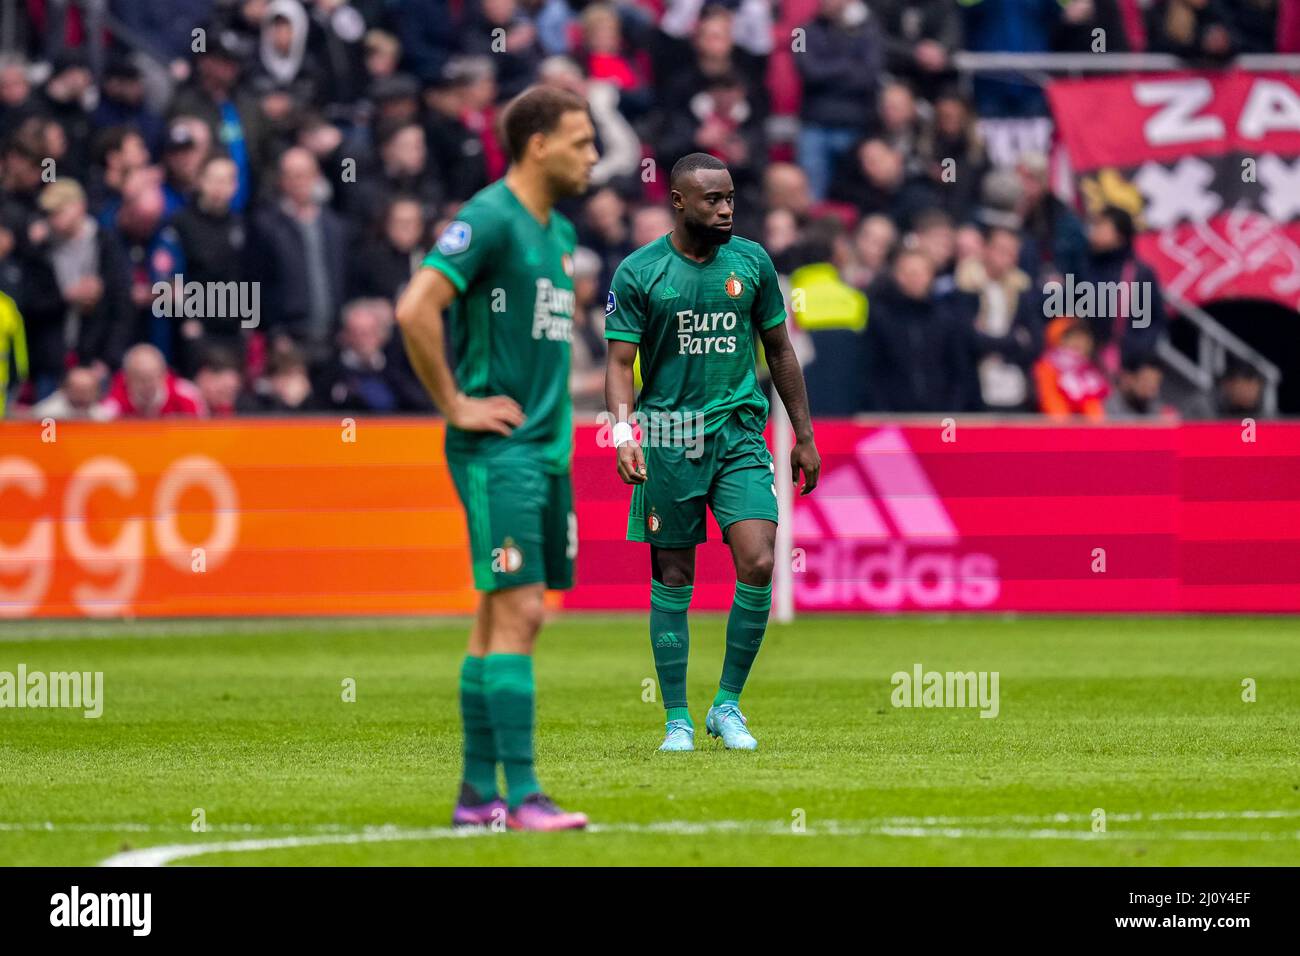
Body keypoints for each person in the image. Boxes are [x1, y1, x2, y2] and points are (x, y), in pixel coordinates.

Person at [395, 85, 598, 831]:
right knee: (521, 615)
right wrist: (454, 403)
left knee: (495, 619)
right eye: (581, 141)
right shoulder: (488, 218)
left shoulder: (561, 236)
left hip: (547, 452)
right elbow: (415, 307)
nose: (593, 156)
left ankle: (477, 797)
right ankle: (525, 798)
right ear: (537, 143)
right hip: (498, 452)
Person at [603, 153, 821, 754]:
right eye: (713, 200)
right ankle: (676, 716)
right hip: (670, 436)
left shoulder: (752, 263)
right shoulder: (639, 272)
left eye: (730, 198)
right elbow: (620, 365)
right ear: (679, 202)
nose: (726, 208)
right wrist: (624, 435)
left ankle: (727, 705)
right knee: (675, 575)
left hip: (740, 433)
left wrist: (802, 434)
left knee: (756, 559)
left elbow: (779, 351)